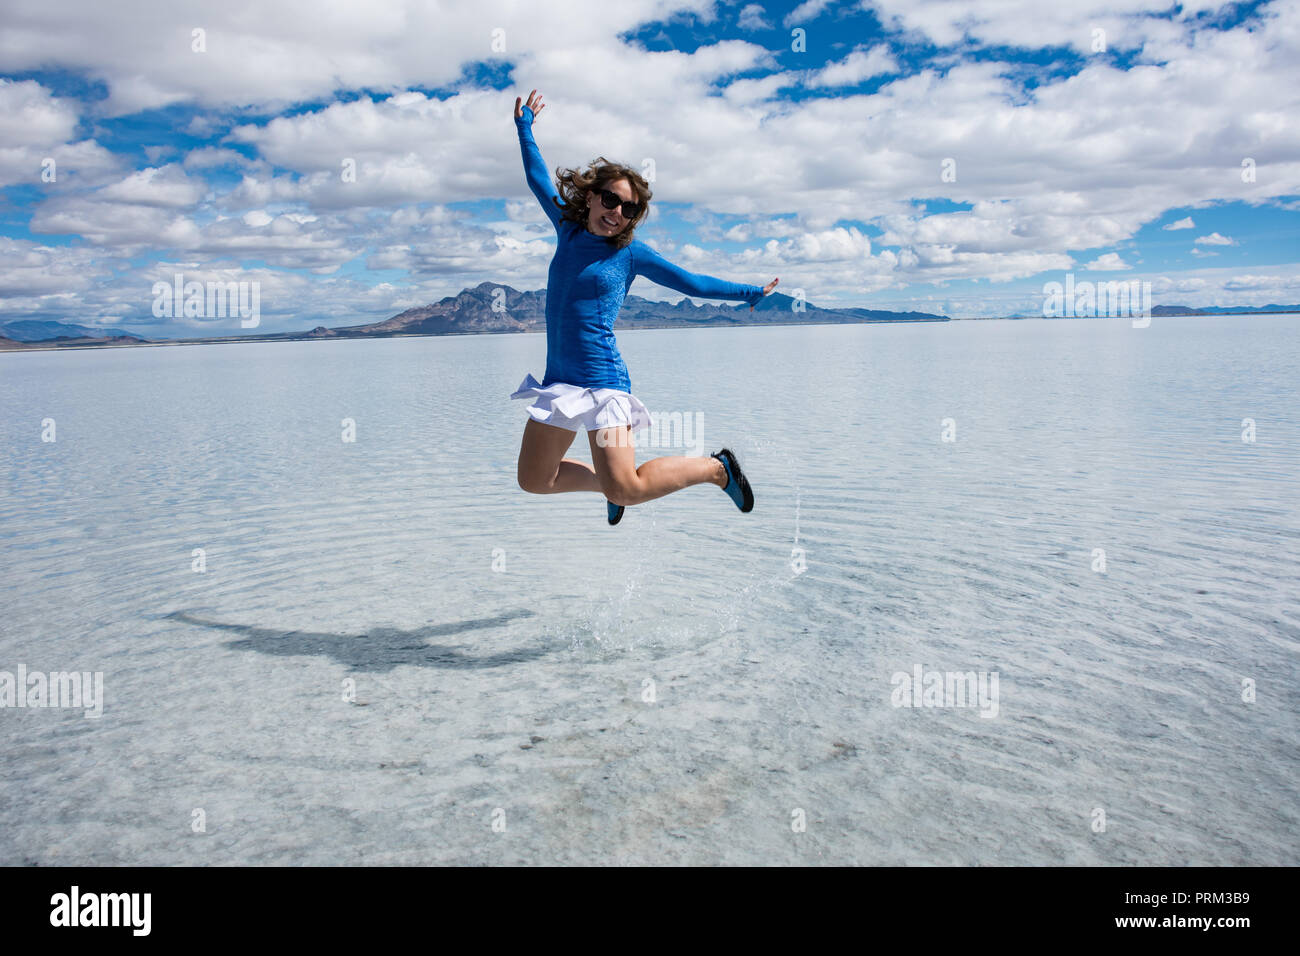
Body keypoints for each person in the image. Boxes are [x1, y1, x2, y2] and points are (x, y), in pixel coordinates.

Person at [510, 89, 778, 525]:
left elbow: (692, 283)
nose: (617, 212)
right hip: (560, 382)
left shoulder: (632, 254)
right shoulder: (569, 230)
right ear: (592, 197)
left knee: (630, 488)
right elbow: (537, 177)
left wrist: (751, 293)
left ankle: (717, 468)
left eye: (629, 208)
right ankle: (609, 487)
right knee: (536, 480)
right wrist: (524, 128)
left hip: (604, 382)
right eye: (611, 199)